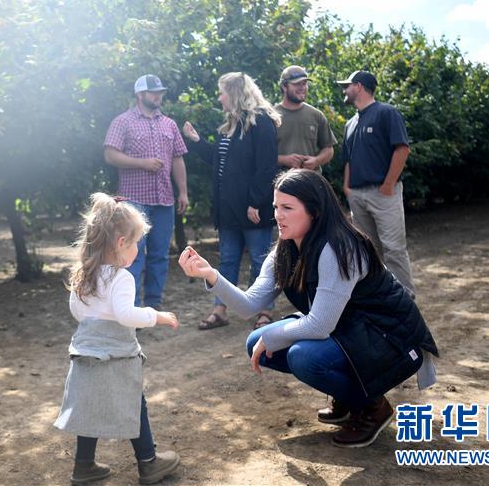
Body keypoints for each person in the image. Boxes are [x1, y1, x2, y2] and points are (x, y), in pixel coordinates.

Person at [178, 169, 438, 448]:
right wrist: (210, 275)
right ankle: (351, 398)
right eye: (276, 206)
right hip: (348, 328)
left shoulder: (339, 248)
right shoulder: (285, 250)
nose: (278, 215)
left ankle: (373, 407)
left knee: (303, 356)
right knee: (257, 341)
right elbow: (249, 306)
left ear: (314, 211)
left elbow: (320, 325)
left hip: (388, 335)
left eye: (288, 208)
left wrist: (272, 336)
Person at [54, 193, 181, 485]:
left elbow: (77, 311)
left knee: (89, 404)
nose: (138, 248)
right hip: (118, 355)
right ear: (122, 243)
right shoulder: (121, 278)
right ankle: (149, 463)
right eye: (136, 242)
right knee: (135, 402)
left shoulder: (84, 273)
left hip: (86, 353)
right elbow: (126, 315)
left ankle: (83, 465)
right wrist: (156, 315)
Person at [181, 72, 280, 331]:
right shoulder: (232, 124)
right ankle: (220, 310)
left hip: (252, 209)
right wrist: (197, 141)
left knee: (260, 261)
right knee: (227, 261)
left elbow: (266, 168)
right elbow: (220, 161)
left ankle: (264, 312)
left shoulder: (261, 122)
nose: (219, 97)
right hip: (228, 210)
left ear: (235, 93)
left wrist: (256, 202)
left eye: (222, 91)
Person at [103, 74, 189, 309]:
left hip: (164, 200)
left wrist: (183, 192)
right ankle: (129, 307)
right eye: (153, 92)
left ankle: (153, 305)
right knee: (132, 254)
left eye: (160, 92)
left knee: (160, 255)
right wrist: (142, 163)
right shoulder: (123, 122)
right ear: (139, 94)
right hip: (134, 201)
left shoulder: (169, 124)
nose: (158, 96)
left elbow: (178, 159)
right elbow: (110, 155)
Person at [338, 70, 415, 298]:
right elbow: (348, 159)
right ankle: (380, 297)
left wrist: (388, 185)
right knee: (367, 251)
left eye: (347, 86)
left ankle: (405, 299)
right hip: (357, 197)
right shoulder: (350, 124)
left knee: (393, 248)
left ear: (359, 87)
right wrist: (347, 188)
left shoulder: (386, 113)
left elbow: (402, 149)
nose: (344, 90)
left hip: (384, 194)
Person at [275, 65, 336, 172]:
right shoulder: (271, 116)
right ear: (284, 86)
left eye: (304, 83)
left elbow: (329, 149)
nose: (302, 87)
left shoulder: (317, 115)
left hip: (310, 183)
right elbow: (258, 154)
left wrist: (317, 160)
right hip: (279, 185)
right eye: (297, 84)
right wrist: (284, 160)